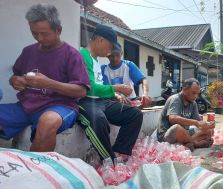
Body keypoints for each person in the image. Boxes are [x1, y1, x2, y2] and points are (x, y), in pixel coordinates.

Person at [0, 4, 90, 151]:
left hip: (60, 106)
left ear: (58, 30)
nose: (40, 38)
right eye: (34, 33)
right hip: (26, 107)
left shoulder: (72, 55)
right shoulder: (28, 52)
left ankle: (35, 170)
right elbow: (15, 75)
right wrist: (15, 81)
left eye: (44, 33)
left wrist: (49, 83)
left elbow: (81, 90)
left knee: (47, 122)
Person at [78, 24, 143, 161]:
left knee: (134, 114)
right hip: (85, 101)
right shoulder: (83, 56)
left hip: (101, 101)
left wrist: (114, 94)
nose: (109, 52)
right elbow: (89, 88)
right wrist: (116, 88)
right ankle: (109, 159)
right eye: (109, 47)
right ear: (101, 40)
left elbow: (99, 86)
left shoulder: (95, 60)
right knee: (99, 120)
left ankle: (120, 152)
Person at [157, 78, 214, 151]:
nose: (196, 96)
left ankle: (188, 143)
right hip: (168, 136)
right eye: (193, 93)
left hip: (184, 134)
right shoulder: (175, 99)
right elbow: (172, 119)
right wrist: (196, 123)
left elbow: (199, 123)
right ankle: (196, 144)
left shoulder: (193, 103)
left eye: (197, 93)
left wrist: (207, 125)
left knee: (208, 130)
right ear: (184, 89)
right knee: (177, 128)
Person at [102, 42, 152, 107]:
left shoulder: (128, 65)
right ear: (107, 56)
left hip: (131, 100)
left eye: (117, 55)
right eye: (111, 56)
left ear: (121, 54)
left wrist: (145, 94)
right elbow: (105, 89)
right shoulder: (103, 69)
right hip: (112, 102)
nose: (115, 58)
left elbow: (143, 80)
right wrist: (117, 96)